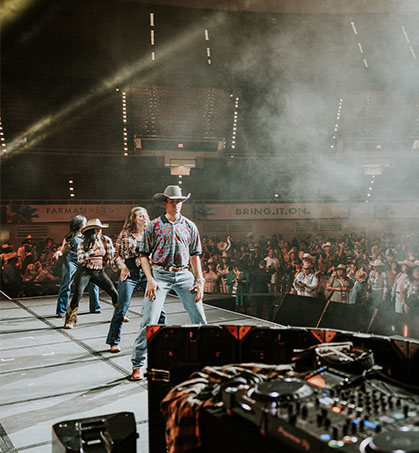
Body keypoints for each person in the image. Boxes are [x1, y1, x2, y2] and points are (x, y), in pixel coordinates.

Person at [130, 185, 207, 380]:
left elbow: (195, 256)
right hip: (159, 275)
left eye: (179, 201)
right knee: (149, 320)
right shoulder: (153, 226)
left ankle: (206, 362)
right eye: (173, 202)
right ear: (165, 203)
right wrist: (150, 279)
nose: (177, 205)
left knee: (200, 321)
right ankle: (138, 364)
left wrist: (200, 280)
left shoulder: (190, 226)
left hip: (184, 275)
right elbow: (144, 255)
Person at [106, 207, 166, 353]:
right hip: (130, 273)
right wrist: (123, 267)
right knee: (121, 308)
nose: (144, 218)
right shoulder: (125, 235)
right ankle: (113, 341)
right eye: (140, 216)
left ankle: (163, 338)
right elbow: (116, 256)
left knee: (159, 308)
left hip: (148, 273)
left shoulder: (152, 234)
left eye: (145, 215)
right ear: (133, 219)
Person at [64, 219, 118, 329]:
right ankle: (70, 319)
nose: (99, 231)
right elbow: (80, 258)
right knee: (77, 295)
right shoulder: (82, 243)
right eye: (97, 229)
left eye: (100, 229)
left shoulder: (105, 240)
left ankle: (119, 315)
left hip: (99, 271)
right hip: (85, 272)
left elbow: (110, 255)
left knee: (114, 292)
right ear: (91, 231)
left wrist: (114, 266)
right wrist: (93, 251)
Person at [54, 215, 100, 317]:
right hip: (72, 260)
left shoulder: (89, 234)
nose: (86, 223)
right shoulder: (69, 236)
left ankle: (95, 307)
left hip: (85, 259)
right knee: (66, 283)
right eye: (85, 222)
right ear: (80, 224)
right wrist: (58, 253)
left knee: (93, 282)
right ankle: (62, 310)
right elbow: (62, 249)